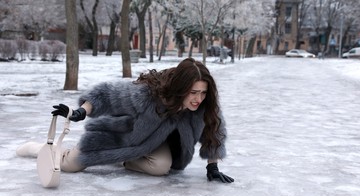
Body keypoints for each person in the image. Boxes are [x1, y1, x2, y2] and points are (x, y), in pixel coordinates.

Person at [17, 58, 234, 183]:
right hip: (121, 137)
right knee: (70, 165)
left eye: (203, 93)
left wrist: (212, 167)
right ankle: (38, 149)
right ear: (180, 88)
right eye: (194, 92)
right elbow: (106, 94)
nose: (198, 99)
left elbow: (215, 130)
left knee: (161, 167)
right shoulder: (146, 95)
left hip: (152, 146)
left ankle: (122, 160)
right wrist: (80, 112)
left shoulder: (204, 106)